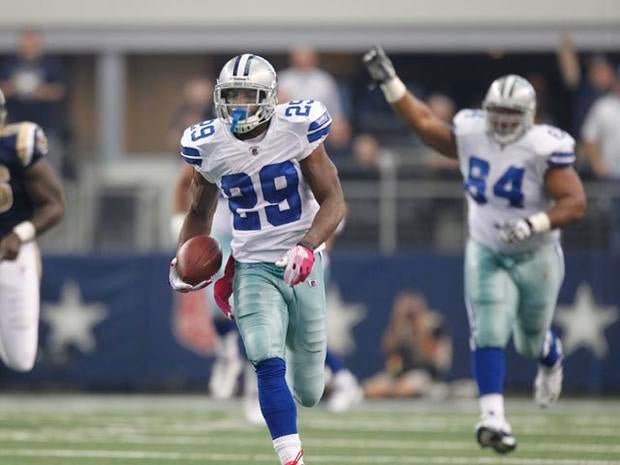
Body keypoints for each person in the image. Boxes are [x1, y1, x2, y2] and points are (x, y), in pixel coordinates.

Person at [363, 46, 586, 454]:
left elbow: (575, 203)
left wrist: (533, 223)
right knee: (488, 327)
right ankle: (493, 417)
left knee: (529, 340)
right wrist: (390, 83)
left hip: (536, 251)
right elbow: (426, 124)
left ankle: (549, 355)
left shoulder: (544, 146)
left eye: (510, 115)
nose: (501, 122)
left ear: (530, 116)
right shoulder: (471, 130)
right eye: (496, 112)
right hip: (486, 247)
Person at [169, 54, 346, 465]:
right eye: (231, 97)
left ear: (268, 98)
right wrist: (182, 260)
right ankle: (291, 458)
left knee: (309, 389)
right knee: (266, 359)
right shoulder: (209, 145)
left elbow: (334, 199)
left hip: (303, 263)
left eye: (249, 96)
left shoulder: (297, 129)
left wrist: (309, 244)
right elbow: (199, 211)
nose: (239, 105)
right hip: (250, 266)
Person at [0, 88, 65, 372]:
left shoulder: (17, 145)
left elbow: (54, 204)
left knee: (21, 358)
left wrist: (20, 234)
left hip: (12, 253)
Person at [0, 29, 67, 174]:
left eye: (33, 42)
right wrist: (14, 87)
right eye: (26, 42)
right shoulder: (9, 64)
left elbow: (60, 90)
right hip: (15, 125)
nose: (29, 46)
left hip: (45, 126)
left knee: (48, 166)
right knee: (14, 167)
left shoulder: (51, 65)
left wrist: (39, 91)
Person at [364, 291, 451, 399]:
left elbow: (432, 358)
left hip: (425, 374)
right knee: (374, 389)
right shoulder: (402, 327)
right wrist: (398, 320)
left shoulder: (433, 325)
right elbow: (387, 349)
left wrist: (419, 329)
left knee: (405, 389)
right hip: (400, 374)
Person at [279, 47, 351, 151]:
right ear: (293, 58)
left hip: (319, 127)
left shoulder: (325, 80)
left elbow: (336, 112)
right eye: (300, 56)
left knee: (338, 131)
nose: (303, 60)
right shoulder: (283, 79)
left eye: (306, 56)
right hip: (289, 128)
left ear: (314, 58)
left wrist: (337, 125)